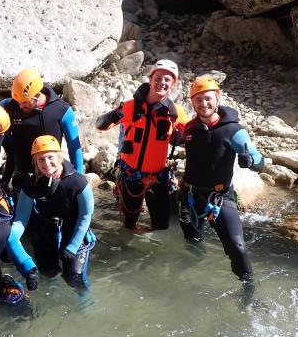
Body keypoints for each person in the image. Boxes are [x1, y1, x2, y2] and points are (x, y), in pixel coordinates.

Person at [179, 78, 264, 281]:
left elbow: (260, 161)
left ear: (217, 98)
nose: (203, 104)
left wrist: (249, 161)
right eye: (198, 100)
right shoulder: (190, 128)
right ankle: (194, 273)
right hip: (189, 195)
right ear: (192, 103)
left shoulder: (233, 130)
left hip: (219, 197)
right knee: (192, 239)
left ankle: (248, 289)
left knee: (237, 247)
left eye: (207, 98)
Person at [95, 59, 190, 233]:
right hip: (131, 174)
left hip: (157, 176)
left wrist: (181, 135)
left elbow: (189, 133)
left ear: (173, 84)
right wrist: (112, 115)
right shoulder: (131, 106)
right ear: (150, 79)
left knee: (161, 226)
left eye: (167, 80)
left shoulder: (175, 112)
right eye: (158, 78)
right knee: (129, 224)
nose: (162, 82)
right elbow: (100, 126)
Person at [11, 135, 95, 290]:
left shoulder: (77, 181)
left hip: (75, 230)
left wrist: (73, 247)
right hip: (47, 230)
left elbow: (85, 216)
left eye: (50, 157)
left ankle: (86, 307)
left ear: (59, 157)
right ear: (35, 162)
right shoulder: (32, 184)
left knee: (74, 278)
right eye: (40, 160)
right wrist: (12, 237)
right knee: (48, 273)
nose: (46, 163)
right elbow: (21, 218)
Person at [0, 68, 83, 196]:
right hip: (22, 176)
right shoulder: (10, 106)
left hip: (51, 173)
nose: (20, 106)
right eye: (18, 102)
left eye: (25, 102)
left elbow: (74, 148)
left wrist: (79, 182)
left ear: (38, 95)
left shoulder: (61, 110)